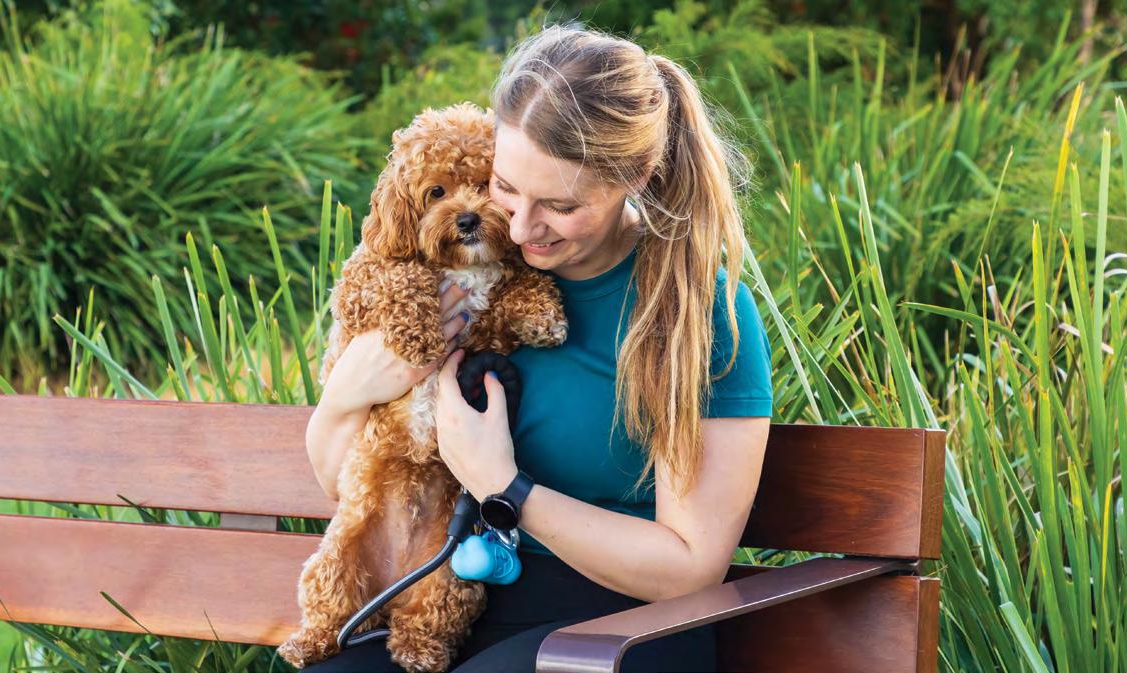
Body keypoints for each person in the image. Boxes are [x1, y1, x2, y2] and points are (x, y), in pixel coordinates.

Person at [299, 21, 773, 673]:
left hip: (624, 624)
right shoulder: (458, 276)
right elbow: (348, 483)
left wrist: (504, 485)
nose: (521, 228)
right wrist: (348, 392)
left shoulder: (695, 310)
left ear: (634, 175)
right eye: (506, 187)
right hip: (454, 595)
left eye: (559, 205)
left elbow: (690, 567)